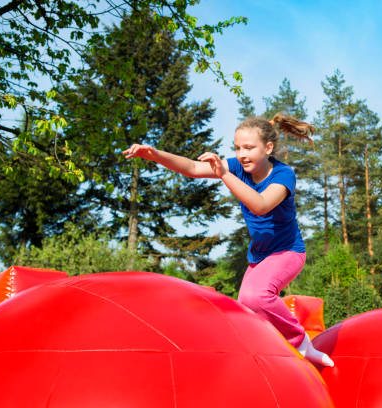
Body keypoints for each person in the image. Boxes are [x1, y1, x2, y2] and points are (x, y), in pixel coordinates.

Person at [123, 113, 334, 366]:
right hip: (259, 256)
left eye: (249, 148)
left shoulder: (283, 174)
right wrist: (156, 155)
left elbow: (261, 205)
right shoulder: (237, 167)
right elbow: (192, 168)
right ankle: (273, 348)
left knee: (257, 297)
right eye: (237, 148)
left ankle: (300, 341)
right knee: (246, 304)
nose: (242, 154)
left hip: (288, 252)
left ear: (268, 148)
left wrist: (224, 174)